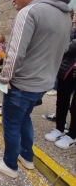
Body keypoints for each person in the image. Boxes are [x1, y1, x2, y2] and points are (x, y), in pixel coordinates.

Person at [0, 0, 71, 178]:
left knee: (11, 123)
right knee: (24, 119)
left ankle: (9, 164)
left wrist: (4, 80)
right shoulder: (64, 15)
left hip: (22, 83)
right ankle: (27, 157)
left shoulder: (29, 12)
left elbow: (14, 52)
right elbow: (63, 49)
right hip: (43, 83)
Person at [44, 18, 76, 149]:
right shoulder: (71, 31)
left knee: (75, 107)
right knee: (62, 101)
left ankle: (72, 136)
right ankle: (59, 128)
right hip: (66, 70)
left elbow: (66, 48)